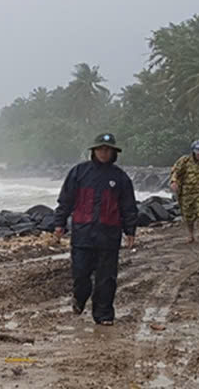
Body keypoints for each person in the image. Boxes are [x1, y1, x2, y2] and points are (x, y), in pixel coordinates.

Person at [54, 133, 138, 326]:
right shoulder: (78, 172)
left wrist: (130, 230)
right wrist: (59, 224)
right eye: (100, 149)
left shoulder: (120, 178)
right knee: (81, 275)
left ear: (113, 153)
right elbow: (65, 200)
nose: (104, 152)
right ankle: (79, 298)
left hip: (109, 236)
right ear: (93, 151)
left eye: (108, 149)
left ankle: (104, 314)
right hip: (82, 234)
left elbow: (128, 206)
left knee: (106, 278)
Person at [170, 140, 199, 245]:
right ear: (194, 151)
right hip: (186, 192)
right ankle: (191, 235)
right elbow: (176, 171)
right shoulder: (184, 160)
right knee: (188, 215)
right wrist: (174, 181)